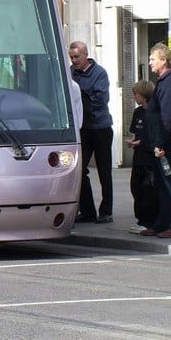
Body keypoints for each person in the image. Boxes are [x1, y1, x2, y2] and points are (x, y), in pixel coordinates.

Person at [141, 43, 171, 239]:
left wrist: (160, 144)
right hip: (160, 144)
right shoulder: (164, 81)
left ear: (164, 60)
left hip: (167, 146)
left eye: (152, 59)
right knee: (162, 186)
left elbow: (168, 118)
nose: (149, 62)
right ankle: (162, 223)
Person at [69, 41, 114, 224]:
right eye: (71, 57)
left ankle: (106, 211)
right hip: (83, 128)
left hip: (100, 127)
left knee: (104, 171)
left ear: (86, 55)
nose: (74, 60)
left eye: (77, 57)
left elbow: (100, 100)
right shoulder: (70, 72)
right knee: (79, 170)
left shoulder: (99, 73)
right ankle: (88, 211)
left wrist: (81, 101)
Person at [126, 80, 159, 234]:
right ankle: (141, 219)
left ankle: (148, 221)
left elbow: (153, 136)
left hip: (149, 158)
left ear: (144, 95)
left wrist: (140, 142)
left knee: (148, 190)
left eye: (136, 95)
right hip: (138, 157)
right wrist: (133, 141)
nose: (134, 97)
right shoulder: (138, 112)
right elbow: (137, 132)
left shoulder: (155, 112)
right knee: (136, 188)